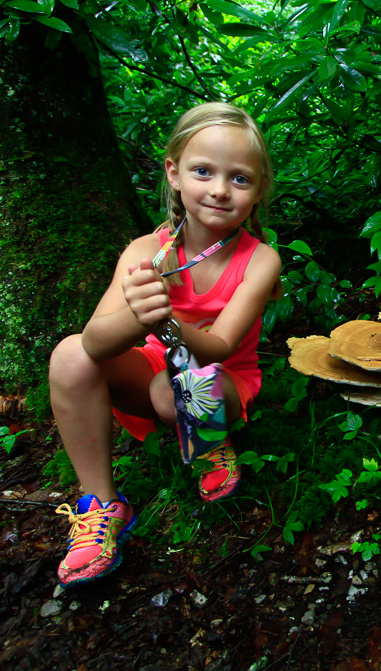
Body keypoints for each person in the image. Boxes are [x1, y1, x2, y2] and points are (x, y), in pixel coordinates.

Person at [48, 102, 283, 587]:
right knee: (69, 355)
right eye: (203, 171)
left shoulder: (260, 261)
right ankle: (101, 506)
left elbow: (217, 347)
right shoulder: (144, 251)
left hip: (220, 382)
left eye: (239, 179)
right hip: (153, 367)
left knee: (172, 389)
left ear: (259, 190)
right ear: (174, 174)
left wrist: (166, 321)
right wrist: (137, 315)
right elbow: (94, 342)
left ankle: (210, 444)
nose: (219, 189)